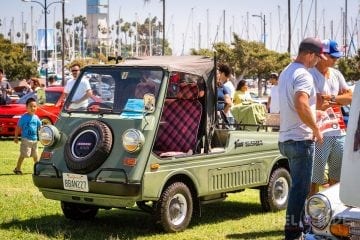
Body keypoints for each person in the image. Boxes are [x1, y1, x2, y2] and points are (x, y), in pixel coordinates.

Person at [278, 37, 325, 240]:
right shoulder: (304, 75)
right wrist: (315, 128)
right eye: (317, 57)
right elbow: (300, 103)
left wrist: (316, 114)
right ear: (309, 54)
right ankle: (293, 232)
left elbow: (296, 105)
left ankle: (296, 228)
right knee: (301, 189)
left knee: (297, 187)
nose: (317, 61)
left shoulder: (286, 71)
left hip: (286, 138)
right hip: (300, 139)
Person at [309, 39, 353, 196]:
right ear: (322, 55)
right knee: (314, 178)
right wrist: (338, 99)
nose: (336, 60)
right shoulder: (310, 74)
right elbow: (319, 103)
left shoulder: (336, 74)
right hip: (319, 133)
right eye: (333, 57)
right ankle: (311, 212)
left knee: (337, 176)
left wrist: (332, 99)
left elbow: (350, 97)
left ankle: (333, 211)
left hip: (338, 131)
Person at [13, 97, 42, 175]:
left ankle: (37, 169)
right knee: (24, 155)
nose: (33, 108)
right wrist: (16, 137)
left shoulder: (36, 117)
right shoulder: (24, 117)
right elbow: (18, 127)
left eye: (34, 106)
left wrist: (42, 133)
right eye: (31, 106)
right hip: (26, 139)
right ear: (26, 107)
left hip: (34, 140)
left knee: (36, 156)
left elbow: (40, 126)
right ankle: (17, 168)